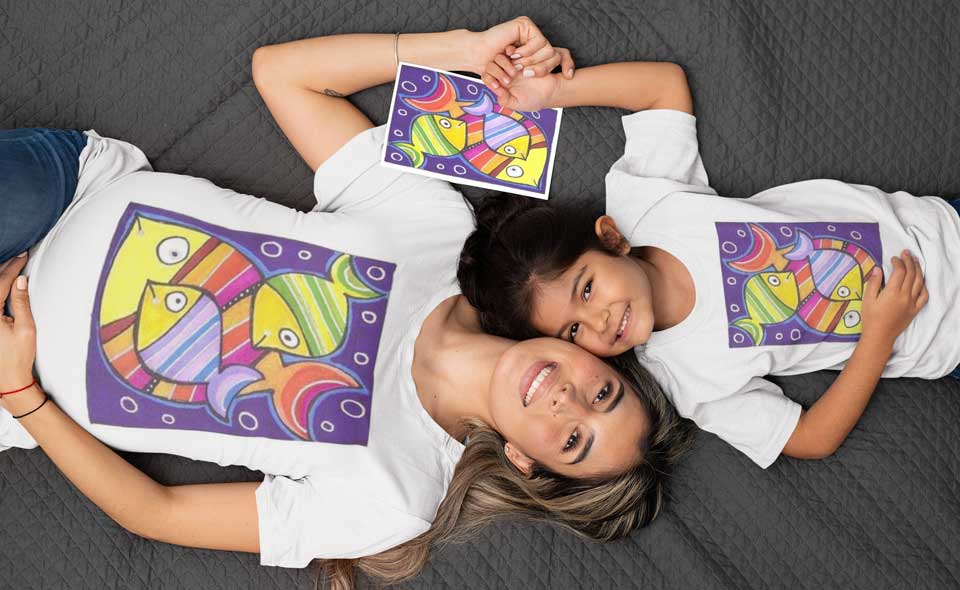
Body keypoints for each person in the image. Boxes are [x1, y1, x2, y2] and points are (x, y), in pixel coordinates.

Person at [0, 17, 694, 590]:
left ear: (525, 461)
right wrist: (462, 51)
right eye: (601, 392)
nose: (565, 402)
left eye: (573, 440)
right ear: (588, 350)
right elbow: (283, 74)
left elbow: (159, 513)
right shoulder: (441, 234)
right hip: (71, 195)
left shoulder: (394, 499)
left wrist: (22, 391)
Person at [456, 58, 957, 471]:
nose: (599, 322)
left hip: (941, 226)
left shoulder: (646, 205)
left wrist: (548, 95)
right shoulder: (685, 380)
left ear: (611, 239)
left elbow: (662, 88)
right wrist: (879, 336)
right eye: (571, 332)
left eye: (586, 291)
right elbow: (809, 438)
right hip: (944, 339)